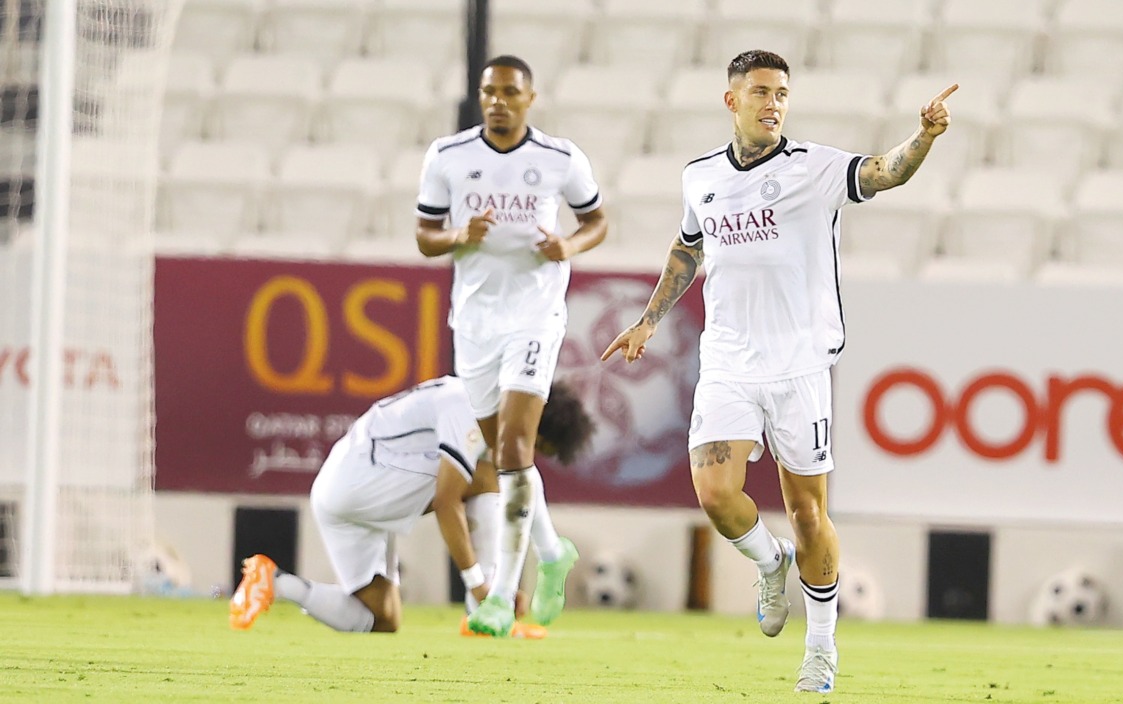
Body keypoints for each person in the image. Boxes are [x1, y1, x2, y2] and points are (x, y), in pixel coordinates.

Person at [601, 50, 955, 692]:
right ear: (731, 100)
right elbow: (688, 247)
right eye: (761, 91)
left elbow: (881, 174)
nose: (773, 103)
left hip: (799, 368)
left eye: (782, 93)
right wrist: (651, 319)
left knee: (809, 514)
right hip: (729, 363)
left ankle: (821, 648)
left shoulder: (814, 168)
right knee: (713, 493)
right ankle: (770, 563)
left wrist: (923, 135)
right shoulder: (700, 176)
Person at [415, 55, 609, 637]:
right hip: (473, 323)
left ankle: (501, 594)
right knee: (504, 457)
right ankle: (553, 553)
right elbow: (425, 236)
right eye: (488, 92)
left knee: (517, 446)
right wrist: (456, 235)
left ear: (530, 97)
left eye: (508, 92)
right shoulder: (448, 156)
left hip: (535, 316)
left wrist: (568, 246)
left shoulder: (559, 158)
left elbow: (597, 220)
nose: (497, 101)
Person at [228, 375, 596, 638]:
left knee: (381, 618)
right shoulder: (468, 409)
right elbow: (447, 500)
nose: (530, 454)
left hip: (340, 493)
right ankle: (484, 608)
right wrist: (480, 585)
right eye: (538, 445)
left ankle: (274, 583)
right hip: (361, 480)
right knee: (486, 477)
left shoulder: (482, 408)